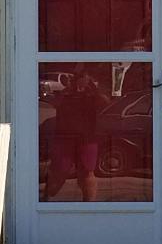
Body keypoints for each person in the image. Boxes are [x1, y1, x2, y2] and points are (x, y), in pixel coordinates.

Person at [41, 68, 111, 201]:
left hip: (87, 138)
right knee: (58, 172)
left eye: (86, 80)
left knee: (87, 172)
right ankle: (44, 203)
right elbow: (56, 103)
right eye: (80, 79)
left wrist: (94, 91)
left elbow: (105, 103)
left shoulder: (93, 96)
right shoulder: (66, 94)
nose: (82, 83)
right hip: (65, 137)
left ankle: (89, 208)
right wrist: (69, 90)